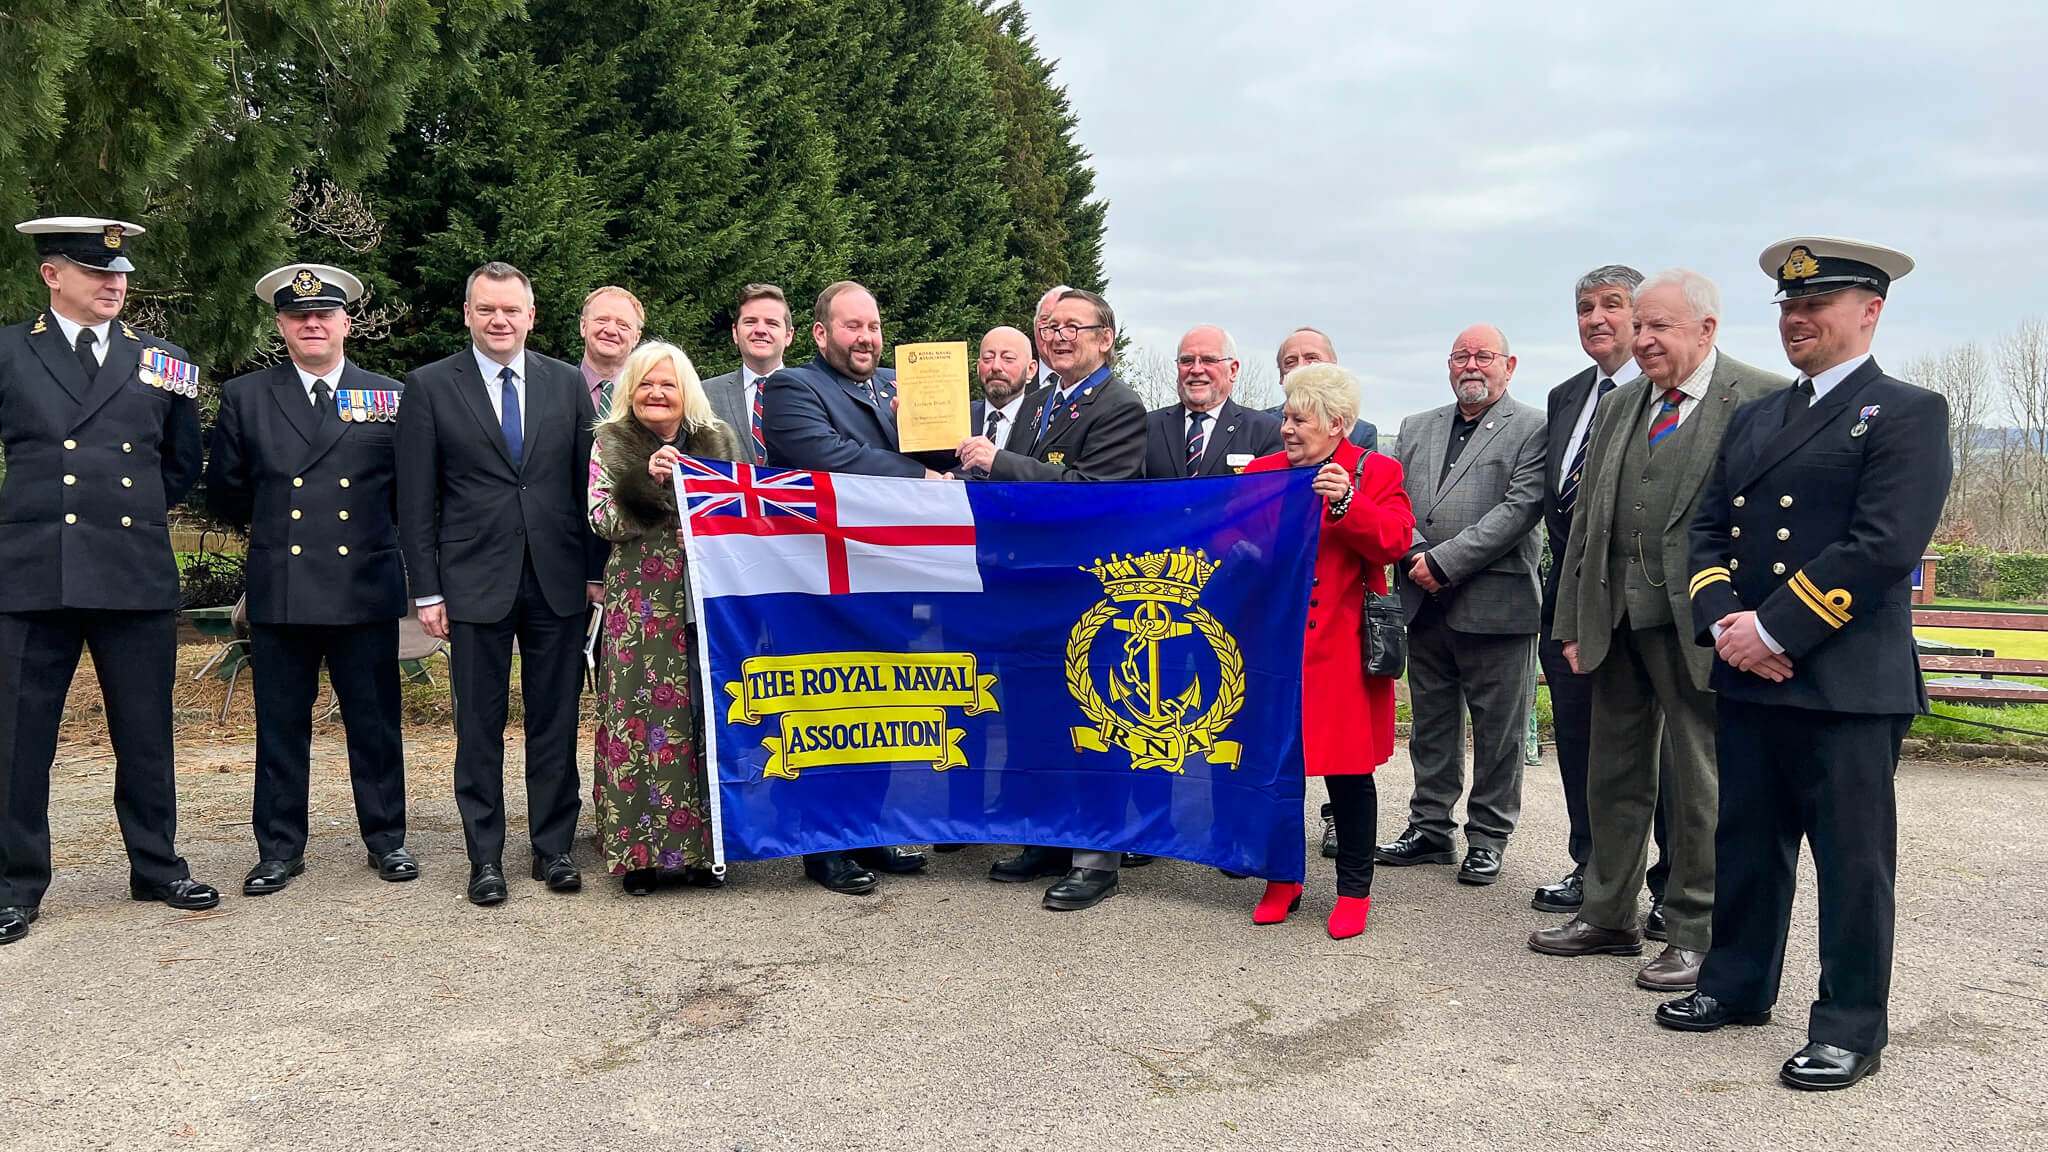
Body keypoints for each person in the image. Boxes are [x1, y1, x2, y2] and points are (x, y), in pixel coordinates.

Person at [1656, 237, 1946, 1093]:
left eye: (1816, 305)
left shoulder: (1907, 411)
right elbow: (1706, 533)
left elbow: (1885, 544)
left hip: (1845, 681)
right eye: (1787, 306)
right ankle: (1736, 984)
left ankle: (1851, 1026)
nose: (1797, 319)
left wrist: (1776, 631)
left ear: (1870, 312)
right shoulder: (1757, 417)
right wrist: (1726, 626)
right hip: (1751, 672)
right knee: (1745, 839)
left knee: (1853, 863)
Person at [1532, 269, 1788, 992]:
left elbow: (1771, 528)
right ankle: (1606, 912)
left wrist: (1756, 622)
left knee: (1700, 779)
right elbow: (1586, 524)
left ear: (1707, 329)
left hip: (1702, 624)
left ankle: (1692, 930)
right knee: (1611, 771)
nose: (1641, 340)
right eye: (1638, 326)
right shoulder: (1622, 405)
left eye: (1658, 328)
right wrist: (1577, 619)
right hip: (1616, 619)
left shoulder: (1760, 398)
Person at [0, 213, 221, 945]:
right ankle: (15, 883)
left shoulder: (163, 358)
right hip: (34, 572)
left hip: (131, 570)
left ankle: (156, 866)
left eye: (121, 273)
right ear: (51, 274)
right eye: (97, 271)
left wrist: (120, 512)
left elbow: (181, 463)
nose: (114, 284)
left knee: (146, 731)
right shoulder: (8, 353)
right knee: (19, 738)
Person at [396, 261, 603, 907]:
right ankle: (484, 856)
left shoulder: (566, 383)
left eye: (511, 310)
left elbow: (583, 483)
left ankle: (553, 849)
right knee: (479, 725)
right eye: (487, 309)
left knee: (554, 719)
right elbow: (415, 499)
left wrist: (595, 572)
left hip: (557, 580)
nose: (499, 320)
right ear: (468, 314)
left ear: (531, 316)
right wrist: (426, 591)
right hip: (472, 582)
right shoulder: (430, 386)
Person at [205, 262, 417, 896]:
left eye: (324, 314)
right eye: (299, 316)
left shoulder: (390, 396)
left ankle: (387, 840)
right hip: (285, 584)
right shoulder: (247, 396)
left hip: (364, 584)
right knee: (280, 724)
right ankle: (278, 849)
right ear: (281, 325)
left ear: (346, 322)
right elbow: (226, 494)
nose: (312, 324)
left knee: (375, 722)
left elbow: (408, 494)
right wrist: (275, 532)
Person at [960, 288, 1146, 910]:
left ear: (1105, 338)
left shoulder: (1120, 405)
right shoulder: (1039, 401)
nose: (1059, 335)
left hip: (1086, 590)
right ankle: (1045, 834)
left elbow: (1095, 492)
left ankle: (1097, 858)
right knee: (1033, 717)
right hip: (1030, 587)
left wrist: (1002, 464)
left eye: (1074, 326)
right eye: (1049, 326)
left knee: (1092, 720)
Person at [759, 279, 936, 895]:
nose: (866, 338)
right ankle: (824, 843)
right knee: (824, 708)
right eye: (852, 326)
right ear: (819, 333)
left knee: (882, 705)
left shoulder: (899, 385)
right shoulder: (792, 387)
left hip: (890, 575)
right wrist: (921, 475)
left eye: (874, 326)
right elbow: (824, 454)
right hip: (822, 577)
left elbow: (942, 450)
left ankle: (870, 829)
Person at [1242, 364, 1412, 937]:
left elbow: (1394, 541)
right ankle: (1282, 878)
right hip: (1274, 646)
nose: (1285, 429)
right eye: (1285, 417)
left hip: (1341, 648)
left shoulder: (1376, 471)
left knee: (1347, 773)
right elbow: (1225, 540)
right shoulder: (1263, 471)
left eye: (1298, 419)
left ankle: (1353, 891)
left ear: (1337, 424)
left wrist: (1348, 504)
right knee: (1275, 768)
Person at [1536, 264, 1682, 922]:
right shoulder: (1567, 396)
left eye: (1613, 306)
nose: (1597, 319)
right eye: (1585, 308)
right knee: (1581, 738)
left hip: (1656, 607)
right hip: (1574, 602)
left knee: (1669, 754)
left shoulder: (1672, 393)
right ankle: (1595, 870)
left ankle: (1674, 885)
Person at [1377, 325, 1545, 885]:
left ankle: (1489, 836)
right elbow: (1394, 498)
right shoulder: (1416, 427)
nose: (1471, 365)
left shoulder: (1535, 428)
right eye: (1460, 356)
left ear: (1509, 364)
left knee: (1499, 732)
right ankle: (1428, 828)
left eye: (1484, 356)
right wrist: (1416, 555)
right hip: (1422, 600)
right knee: (1431, 724)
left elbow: (1520, 509)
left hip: (1495, 602)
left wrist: (1443, 561)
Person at [588, 341, 740, 895]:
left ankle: (704, 851)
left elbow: (741, 510)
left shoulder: (717, 441)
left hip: (704, 594)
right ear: (631, 389)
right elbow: (601, 518)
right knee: (640, 717)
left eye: (668, 385)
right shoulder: (611, 443)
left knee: (703, 714)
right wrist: (648, 484)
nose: (656, 393)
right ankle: (638, 854)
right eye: (646, 384)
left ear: (686, 393)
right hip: (641, 602)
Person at [1143, 325, 1281, 478]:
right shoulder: (1146, 428)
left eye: (1208, 360)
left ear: (1233, 371)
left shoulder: (1265, 431)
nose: (1196, 370)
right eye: (1187, 361)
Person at [701, 283, 795, 466]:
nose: (760, 330)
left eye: (772, 323)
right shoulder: (704, 393)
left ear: (788, 336)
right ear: (735, 333)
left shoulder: (813, 394)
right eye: (750, 322)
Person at [1271, 327, 1377, 451]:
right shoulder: (1259, 428)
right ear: (1281, 376)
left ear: (1333, 368)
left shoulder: (1360, 434)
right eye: (1290, 362)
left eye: (1311, 358)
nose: (1301, 366)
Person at [969, 324, 1042, 461]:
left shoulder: (1044, 423)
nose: (996, 366)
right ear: (978, 368)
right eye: (988, 358)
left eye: (1008, 358)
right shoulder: (959, 419)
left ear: (1031, 370)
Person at [578, 286, 644, 418]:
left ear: (636, 337)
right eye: (602, 320)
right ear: (583, 326)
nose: (611, 330)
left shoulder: (646, 398)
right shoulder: (556, 389)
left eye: (623, 325)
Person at [1029, 285, 1072, 391]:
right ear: (1035, 327)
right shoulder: (1012, 388)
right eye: (1047, 321)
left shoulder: (1108, 396)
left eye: (1070, 324)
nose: (1058, 336)